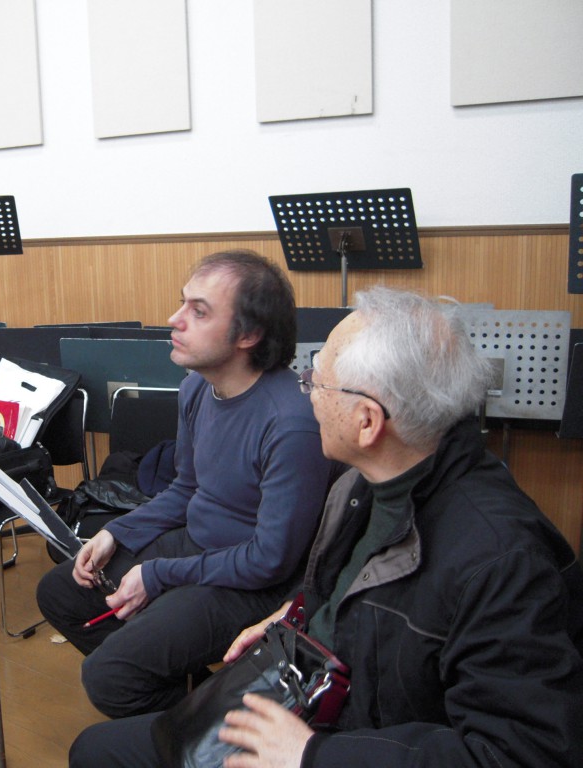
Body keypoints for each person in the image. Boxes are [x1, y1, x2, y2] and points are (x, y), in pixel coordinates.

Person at [69, 285, 583, 768]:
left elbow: (520, 753)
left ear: (367, 421)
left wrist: (310, 754)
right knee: (99, 747)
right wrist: (289, 616)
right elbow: (345, 590)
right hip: (316, 695)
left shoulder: (500, 558)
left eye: (317, 378)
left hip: (347, 742)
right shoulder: (361, 482)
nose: (307, 390)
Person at [36, 250, 339, 719]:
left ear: (249, 334)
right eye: (183, 304)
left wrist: (157, 576)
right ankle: (178, 682)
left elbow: (270, 560)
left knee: (109, 678)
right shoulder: (196, 386)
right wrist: (118, 531)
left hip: (253, 581)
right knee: (59, 592)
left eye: (198, 312)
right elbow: (185, 488)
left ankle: (213, 731)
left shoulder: (291, 422)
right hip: (198, 545)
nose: (174, 320)